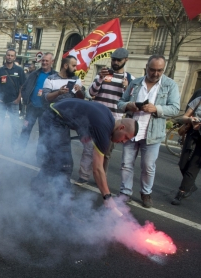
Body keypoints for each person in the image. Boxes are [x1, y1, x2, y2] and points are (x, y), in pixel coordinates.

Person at [34, 98, 138, 210]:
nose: (123, 141)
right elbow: (97, 169)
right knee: (64, 165)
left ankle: (35, 193)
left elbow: (84, 113)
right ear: (121, 128)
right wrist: (107, 197)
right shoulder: (103, 130)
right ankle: (64, 210)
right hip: (53, 119)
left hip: (52, 112)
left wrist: (83, 133)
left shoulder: (108, 115)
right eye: (125, 137)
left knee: (53, 161)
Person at [116, 55, 181, 208]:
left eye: (159, 70)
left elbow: (175, 108)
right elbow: (120, 103)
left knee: (148, 166)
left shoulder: (169, 85)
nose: (156, 73)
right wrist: (128, 105)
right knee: (126, 164)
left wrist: (156, 109)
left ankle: (146, 193)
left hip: (153, 134)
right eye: (152, 70)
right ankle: (125, 191)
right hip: (131, 131)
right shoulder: (135, 83)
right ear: (146, 67)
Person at [76, 47, 132, 186]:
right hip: (95, 119)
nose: (115, 62)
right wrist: (100, 78)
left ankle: (100, 177)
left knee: (106, 152)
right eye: (113, 59)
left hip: (114, 122)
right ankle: (83, 175)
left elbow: (129, 101)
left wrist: (127, 87)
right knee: (88, 148)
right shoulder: (102, 75)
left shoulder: (130, 79)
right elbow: (91, 93)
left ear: (126, 60)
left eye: (119, 60)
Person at [17, 52, 55, 154]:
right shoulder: (34, 74)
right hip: (32, 107)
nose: (44, 62)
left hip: (45, 109)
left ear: (52, 62)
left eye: (47, 60)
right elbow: (24, 87)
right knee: (25, 129)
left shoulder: (55, 76)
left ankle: (40, 156)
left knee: (43, 134)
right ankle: (19, 151)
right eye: (43, 60)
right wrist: (26, 100)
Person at [0, 49, 25, 150]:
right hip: (1, 102)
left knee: (14, 126)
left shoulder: (19, 70)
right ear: (6, 56)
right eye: (8, 55)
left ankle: (14, 146)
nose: (10, 57)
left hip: (14, 102)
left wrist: (19, 98)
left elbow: (22, 86)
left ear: (14, 57)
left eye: (12, 56)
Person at [170, 95, 201, 205]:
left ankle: (181, 192)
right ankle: (190, 185)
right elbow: (184, 117)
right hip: (192, 133)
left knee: (193, 166)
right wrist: (190, 120)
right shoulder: (199, 100)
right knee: (182, 164)